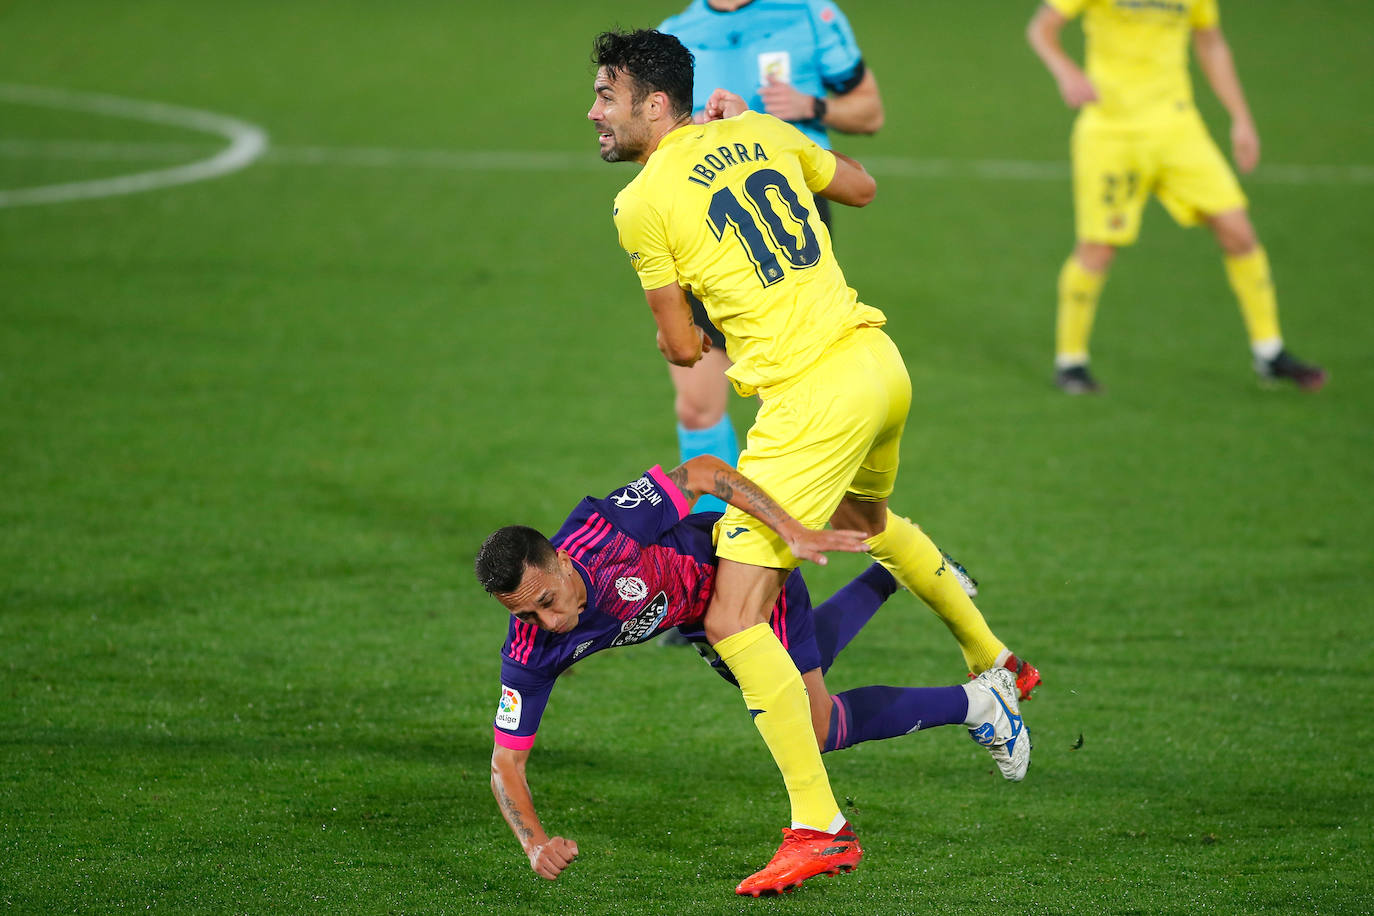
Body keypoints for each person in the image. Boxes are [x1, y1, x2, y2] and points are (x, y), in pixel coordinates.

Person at [588, 29, 1038, 895]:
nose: (593, 110)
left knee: (731, 619)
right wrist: (761, 135)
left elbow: (683, 350)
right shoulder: (761, 129)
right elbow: (863, 187)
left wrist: (685, 324)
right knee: (864, 523)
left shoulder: (640, 203)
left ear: (654, 104)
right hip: (879, 364)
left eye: (607, 94)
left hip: (811, 401)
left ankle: (817, 825)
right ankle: (998, 661)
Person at [477, 457, 1029, 885]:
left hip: (739, 565)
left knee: (817, 725)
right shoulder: (531, 648)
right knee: (809, 678)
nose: (547, 622)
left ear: (562, 560)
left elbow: (702, 473)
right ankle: (898, 575)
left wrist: (786, 528)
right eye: (525, 613)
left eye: (548, 600)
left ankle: (980, 702)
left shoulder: (603, 532)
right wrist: (534, 844)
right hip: (705, 621)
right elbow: (506, 765)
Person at [1026, 0, 1327, 394]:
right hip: (1111, 131)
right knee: (1098, 249)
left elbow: (1211, 43)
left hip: (1178, 128)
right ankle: (1071, 363)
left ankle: (1269, 353)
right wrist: (1067, 72)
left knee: (1239, 232)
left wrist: (1241, 116)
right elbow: (1042, 28)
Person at [655, 0, 885, 513]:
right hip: (699, 223)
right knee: (697, 406)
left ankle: (881, 544)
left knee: (792, 408)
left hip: (784, 215)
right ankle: (712, 541)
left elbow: (870, 112)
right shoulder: (673, 34)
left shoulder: (810, 16)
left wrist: (811, 107)